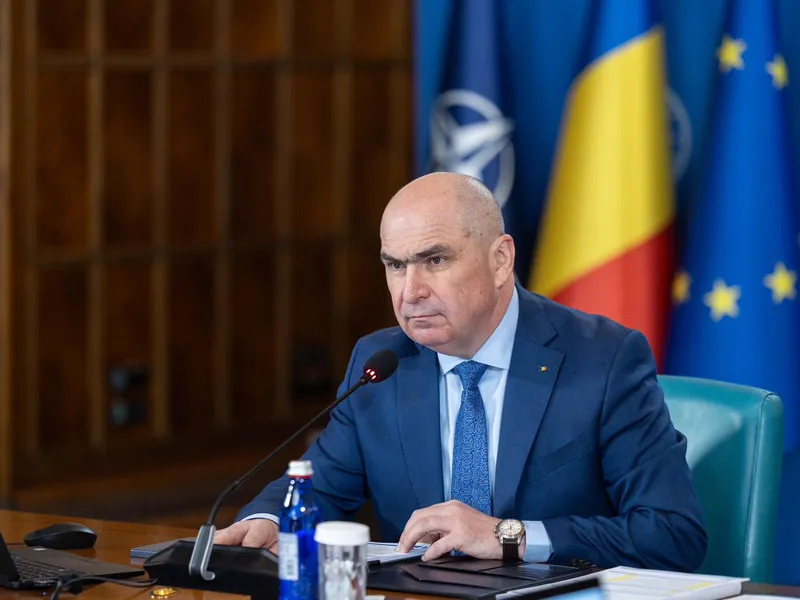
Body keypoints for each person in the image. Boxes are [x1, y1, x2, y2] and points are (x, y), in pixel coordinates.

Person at [215, 172, 707, 570]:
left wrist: (508, 536)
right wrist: (269, 521)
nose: (411, 291)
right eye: (395, 266)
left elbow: (672, 533)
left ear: (500, 260)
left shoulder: (603, 358)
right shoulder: (381, 363)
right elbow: (320, 487)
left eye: (435, 260)